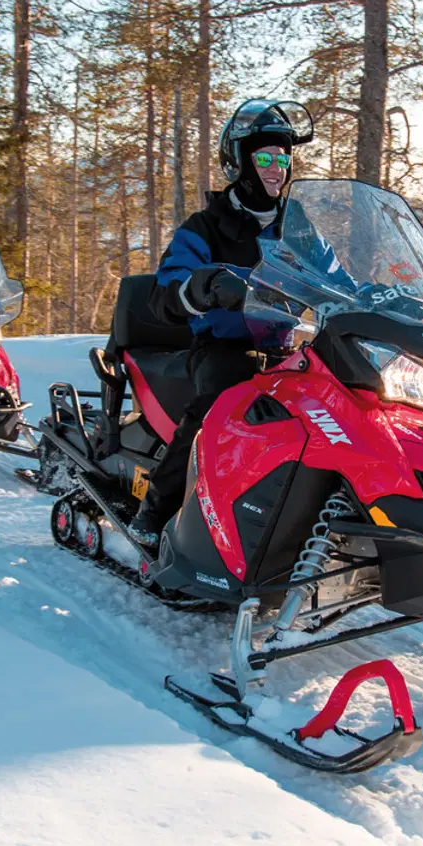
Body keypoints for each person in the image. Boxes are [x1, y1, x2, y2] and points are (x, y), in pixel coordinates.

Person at [129, 100, 314, 543]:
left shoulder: (298, 226)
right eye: (265, 157)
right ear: (240, 161)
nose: (277, 168)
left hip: (285, 349)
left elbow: (334, 275)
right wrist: (201, 288)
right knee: (219, 402)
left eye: (284, 158)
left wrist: (376, 296)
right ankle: (153, 514)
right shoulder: (205, 227)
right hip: (223, 346)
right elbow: (166, 291)